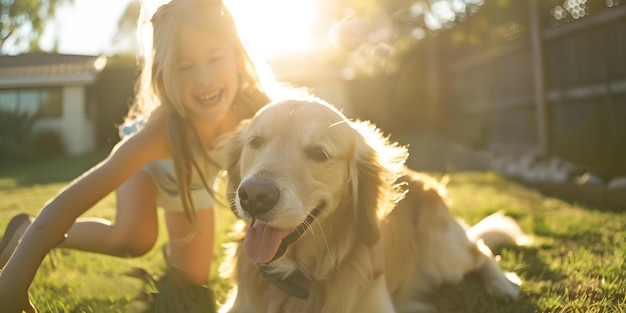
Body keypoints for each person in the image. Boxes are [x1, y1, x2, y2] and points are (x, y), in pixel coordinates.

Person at [0, 0, 289, 311]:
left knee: (192, 277)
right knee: (135, 238)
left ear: (237, 56)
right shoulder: (158, 133)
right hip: (153, 170)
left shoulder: (259, 112)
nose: (204, 77)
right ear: (164, 74)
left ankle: (176, 252)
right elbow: (72, 200)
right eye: (184, 66)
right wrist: (12, 286)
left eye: (214, 58)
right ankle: (26, 233)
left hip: (195, 179)